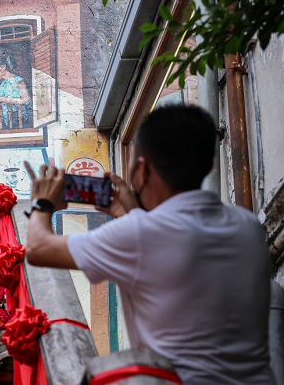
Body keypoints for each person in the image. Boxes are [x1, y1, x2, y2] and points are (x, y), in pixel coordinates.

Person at [23, 105, 272, 384]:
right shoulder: (247, 226)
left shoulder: (140, 233)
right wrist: (129, 216)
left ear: (141, 169)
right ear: (208, 166)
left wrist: (42, 202)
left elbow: (38, 248)